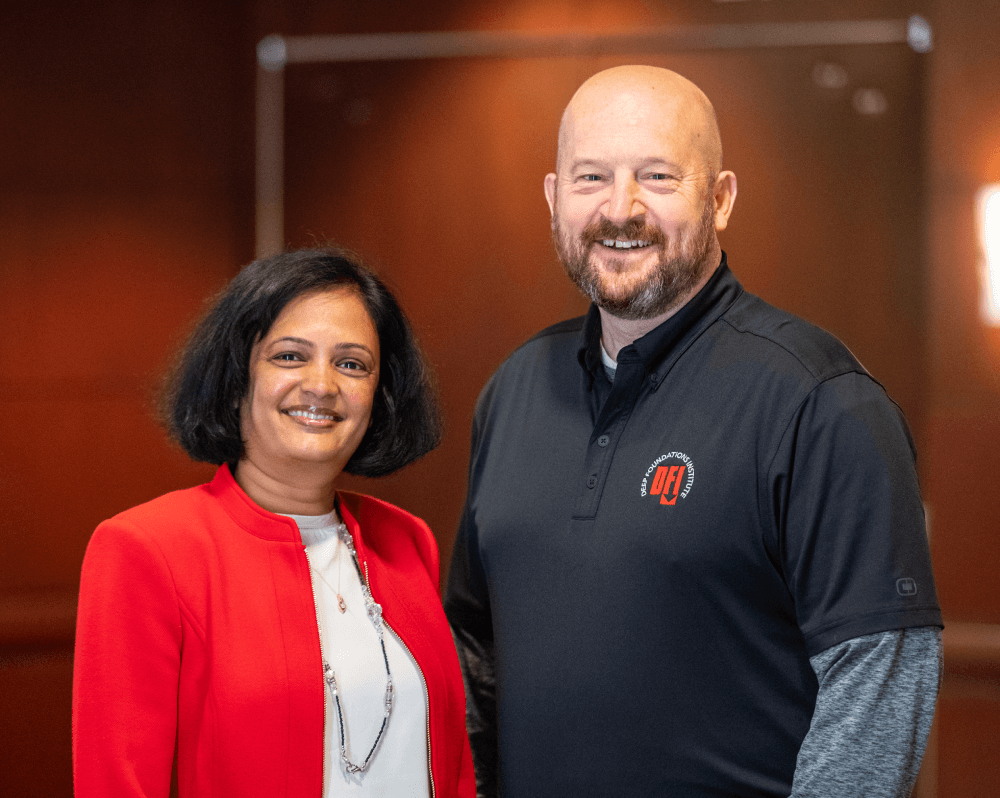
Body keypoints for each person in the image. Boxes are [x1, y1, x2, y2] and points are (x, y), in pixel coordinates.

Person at [445, 65, 942, 798]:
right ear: (554, 199)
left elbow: (875, 684)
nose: (621, 209)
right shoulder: (512, 390)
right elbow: (473, 656)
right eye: (590, 178)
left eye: (657, 176)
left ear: (720, 198)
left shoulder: (821, 402)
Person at [74, 249, 475, 797]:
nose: (322, 384)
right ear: (237, 376)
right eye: (290, 356)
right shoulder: (147, 550)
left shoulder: (406, 540)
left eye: (352, 363)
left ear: (379, 397)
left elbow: (450, 765)